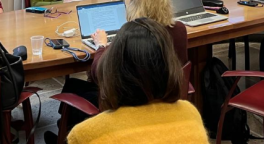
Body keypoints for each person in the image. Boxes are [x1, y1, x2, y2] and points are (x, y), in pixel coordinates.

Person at [45, 0, 188, 143]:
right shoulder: (179, 29)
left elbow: (100, 74)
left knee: (75, 88)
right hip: (164, 102)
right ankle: (64, 131)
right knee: (74, 86)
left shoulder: (131, 34)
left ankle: (67, 135)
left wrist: (101, 46)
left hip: (129, 107)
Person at [67, 18, 208, 144]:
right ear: (170, 66)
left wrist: (101, 47)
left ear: (113, 70)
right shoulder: (191, 114)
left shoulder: (85, 135)